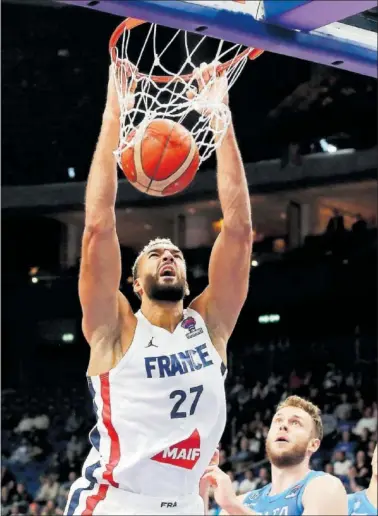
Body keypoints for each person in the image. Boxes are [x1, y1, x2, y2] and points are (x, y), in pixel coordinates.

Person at [65, 61, 253, 516]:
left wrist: (220, 120)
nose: (168, 255)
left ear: (188, 277)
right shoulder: (114, 328)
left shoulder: (210, 326)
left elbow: (241, 232)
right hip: (115, 503)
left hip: (187, 505)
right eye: (154, 253)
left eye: (175, 253)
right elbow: (96, 228)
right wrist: (115, 116)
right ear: (133, 282)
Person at [200, 395, 348, 515]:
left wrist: (233, 507)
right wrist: (201, 487)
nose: (283, 425)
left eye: (295, 423)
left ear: (313, 444)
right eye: (278, 420)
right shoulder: (244, 501)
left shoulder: (325, 487)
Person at [348, 445, 377, 515]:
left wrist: (356, 475)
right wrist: (355, 475)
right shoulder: (353, 466)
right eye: (359, 455)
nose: (360, 457)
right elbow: (351, 477)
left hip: (366, 486)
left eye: (362, 456)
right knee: (355, 486)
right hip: (355, 486)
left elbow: (364, 477)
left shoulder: (368, 466)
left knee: (358, 487)